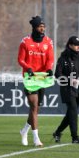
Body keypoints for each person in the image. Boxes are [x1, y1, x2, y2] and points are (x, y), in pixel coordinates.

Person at [18, 16, 54, 147]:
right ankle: (36, 138)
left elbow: (50, 58)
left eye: (44, 26)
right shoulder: (25, 41)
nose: (42, 28)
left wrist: (49, 68)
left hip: (42, 78)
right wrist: (28, 68)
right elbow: (20, 59)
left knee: (37, 109)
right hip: (30, 78)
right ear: (34, 27)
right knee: (33, 106)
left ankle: (24, 130)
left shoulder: (49, 42)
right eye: (40, 26)